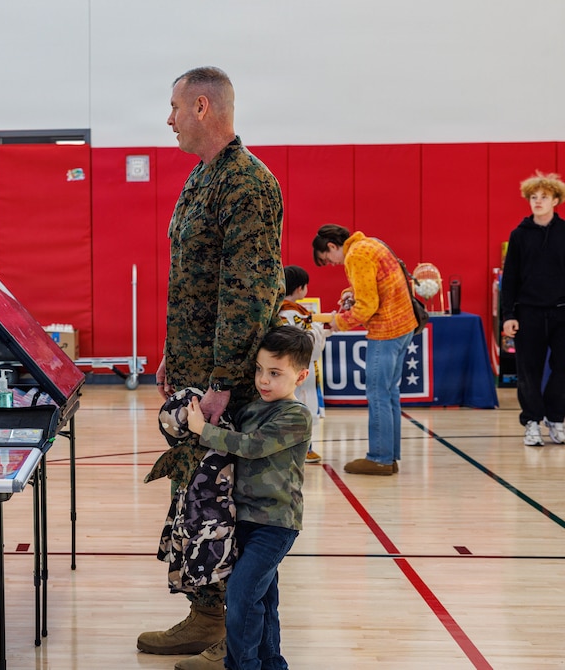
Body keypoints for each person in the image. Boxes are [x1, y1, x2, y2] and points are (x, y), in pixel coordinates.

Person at [139, 66, 284, 670]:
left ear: (202, 106)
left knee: (233, 513)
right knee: (197, 505)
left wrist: (223, 382)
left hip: (228, 388)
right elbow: (197, 283)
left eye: (173, 107)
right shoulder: (200, 179)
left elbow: (247, 294)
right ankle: (204, 616)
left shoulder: (247, 184)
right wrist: (177, 350)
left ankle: (236, 641)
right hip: (198, 375)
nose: (167, 119)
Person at [184, 325, 314, 670]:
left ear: (301, 376)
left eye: (275, 373)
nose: (263, 380)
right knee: (264, 598)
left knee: (242, 596)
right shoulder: (253, 408)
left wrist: (204, 431)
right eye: (259, 370)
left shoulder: (296, 416)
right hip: (242, 519)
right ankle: (272, 662)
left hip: (276, 524)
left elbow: (253, 447)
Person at [312, 224, 417, 476]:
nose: (332, 264)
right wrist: (351, 294)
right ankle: (389, 457)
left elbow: (368, 306)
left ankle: (379, 458)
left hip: (386, 331)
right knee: (390, 393)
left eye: (328, 259)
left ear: (331, 246)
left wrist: (338, 322)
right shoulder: (370, 243)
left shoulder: (356, 256)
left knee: (377, 394)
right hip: (404, 326)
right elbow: (377, 285)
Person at [499, 172, 565, 447]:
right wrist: (508, 316)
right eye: (533, 198)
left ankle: (556, 418)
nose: (537, 202)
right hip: (528, 313)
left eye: (544, 197)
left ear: (556, 201)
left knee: (563, 368)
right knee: (528, 371)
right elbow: (510, 278)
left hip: (562, 312)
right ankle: (532, 422)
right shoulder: (519, 235)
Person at [278, 265, 327, 463]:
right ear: (300, 288)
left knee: (298, 407)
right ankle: (302, 449)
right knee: (301, 407)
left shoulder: (288, 311)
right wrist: (320, 330)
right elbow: (307, 340)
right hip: (299, 368)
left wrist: (322, 329)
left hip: (294, 367)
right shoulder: (292, 313)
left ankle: (301, 448)